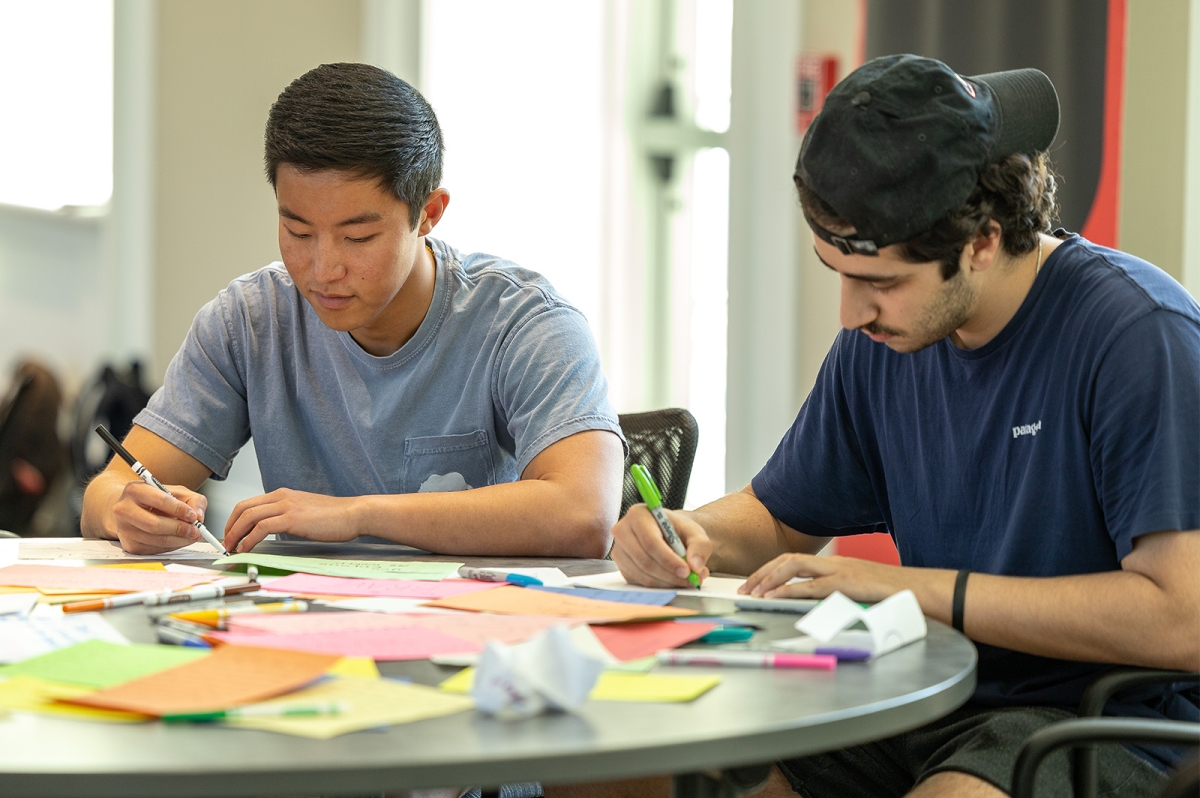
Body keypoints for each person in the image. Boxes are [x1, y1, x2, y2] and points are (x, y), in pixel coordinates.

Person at [609, 55, 1199, 798]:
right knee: (625, 771)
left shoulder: (1138, 337)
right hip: (913, 689)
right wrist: (686, 532)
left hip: (1100, 723)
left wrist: (908, 589)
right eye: (840, 276)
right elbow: (781, 517)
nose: (851, 315)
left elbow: (1182, 616)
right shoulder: (885, 341)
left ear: (982, 241)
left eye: (880, 283)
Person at [82, 63, 625, 558]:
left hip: (471, 633)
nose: (322, 268)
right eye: (297, 231)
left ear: (429, 213)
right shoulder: (249, 321)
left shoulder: (524, 322)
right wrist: (122, 511)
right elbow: (106, 492)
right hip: (300, 625)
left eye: (358, 237)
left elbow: (584, 515)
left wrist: (357, 514)